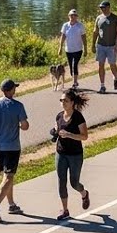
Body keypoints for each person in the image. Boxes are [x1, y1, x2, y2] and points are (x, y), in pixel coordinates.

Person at [0, 79, 30, 223]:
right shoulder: (18, 106)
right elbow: (25, 126)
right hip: (12, 146)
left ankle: (12, 205)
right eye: (14, 88)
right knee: (9, 176)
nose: (15, 90)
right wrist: (15, 124)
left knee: (7, 175)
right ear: (11, 90)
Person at [51, 88, 91, 220]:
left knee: (74, 183)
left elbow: (84, 136)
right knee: (61, 182)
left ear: (72, 102)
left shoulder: (78, 117)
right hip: (61, 153)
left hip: (75, 155)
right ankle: (65, 210)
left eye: (66, 101)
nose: (63, 103)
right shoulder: (59, 116)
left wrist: (69, 135)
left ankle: (84, 193)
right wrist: (54, 132)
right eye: (61, 100)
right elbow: (56, 130)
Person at [93, 0, 117, 92]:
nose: (102, 9)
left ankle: (115, 78)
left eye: (103, 7)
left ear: (108, 7)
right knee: (101, 65)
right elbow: (95, 31)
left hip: (111, 46)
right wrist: (93, 44)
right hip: (101, 45)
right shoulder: (99, 18)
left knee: (112, 64)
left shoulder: (115, 18)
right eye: (101, 8)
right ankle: (102, 85)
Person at [59, 8, 88, 90]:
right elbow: (63, 36)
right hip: (68, 50)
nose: (73, 17)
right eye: (71, 15)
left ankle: (74, 82)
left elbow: (84, 37)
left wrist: (85, 49)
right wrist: (60, 47)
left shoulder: (80, 26)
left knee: (74, 65)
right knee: (71, 66)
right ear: (69, 16)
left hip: (78, 49)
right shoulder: (65, 25)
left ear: (77, 17)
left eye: (75, 15)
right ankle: (74, 80)